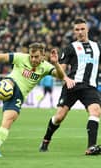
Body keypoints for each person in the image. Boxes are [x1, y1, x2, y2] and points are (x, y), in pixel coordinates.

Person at [0, 42, 74, 157]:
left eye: (36, 57)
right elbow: (2, 57)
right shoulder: (21, 58)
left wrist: (56, 63)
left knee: (8, 120)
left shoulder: (46, 67)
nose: (33, 59)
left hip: (20, 95)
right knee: (6, 85)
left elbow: (59, 75)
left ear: (43, 55)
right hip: (12, 82)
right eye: (31, 56)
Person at [39, 18, 101, 155]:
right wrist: (64, 75)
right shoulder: (70, 48)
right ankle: (46, 140)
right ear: (74, 31)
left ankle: (91, 147)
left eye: (82, 29)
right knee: (59, 117)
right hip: (72, 86)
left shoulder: (97, 47)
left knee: (95, 111)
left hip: (90, 87)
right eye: (77, 30)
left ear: (87, 29)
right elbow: (59, 71)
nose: (80, 32)